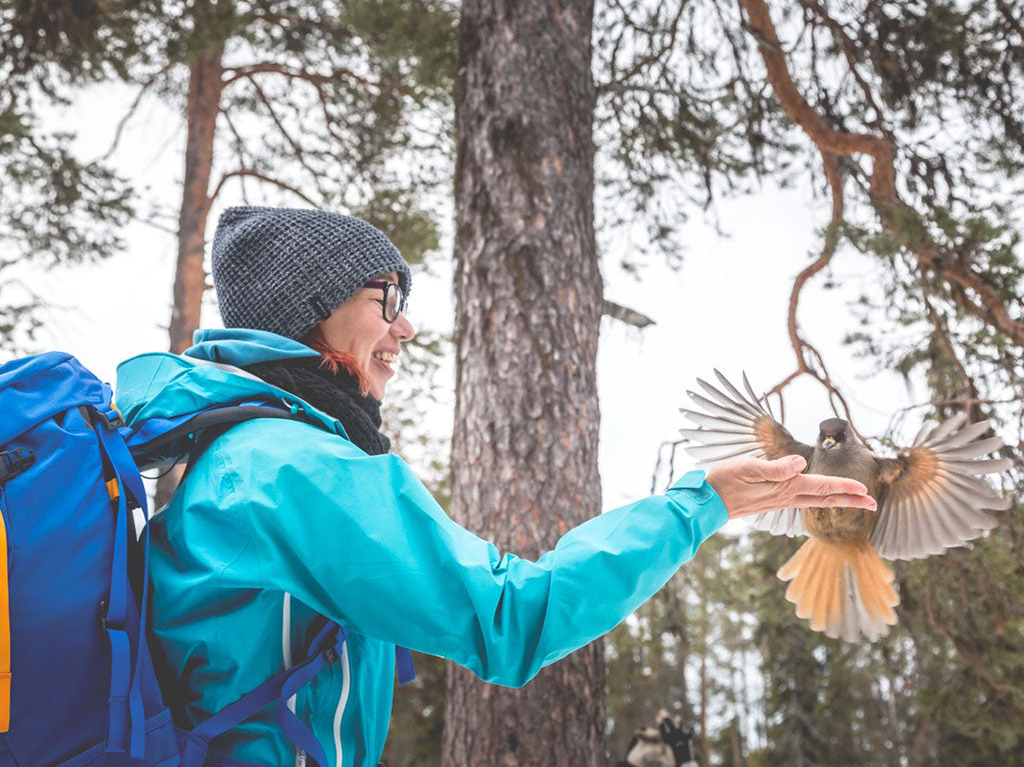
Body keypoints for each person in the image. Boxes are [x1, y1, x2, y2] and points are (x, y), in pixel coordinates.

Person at [116, 207, 876, 767]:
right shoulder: (290, 468)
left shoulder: (229, 458)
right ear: (311, 312)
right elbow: (514, 618)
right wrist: (698, 505)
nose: (406, 329)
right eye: (385, 300)